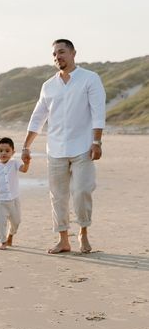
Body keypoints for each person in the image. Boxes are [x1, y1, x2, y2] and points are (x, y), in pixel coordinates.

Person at [21, 38, 106, 254]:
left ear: (73, 53)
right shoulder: (48, 85)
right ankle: (63, 239)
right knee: (57, 195)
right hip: (56, 149)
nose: (57, 57)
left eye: (61, 52)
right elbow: (38, 117)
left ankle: (83, 233)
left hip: (83, 147)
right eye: (54, 54)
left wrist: (97, 141)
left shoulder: (90, 79)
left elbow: (98, 112)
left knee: (82, 191)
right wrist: (26, 146)